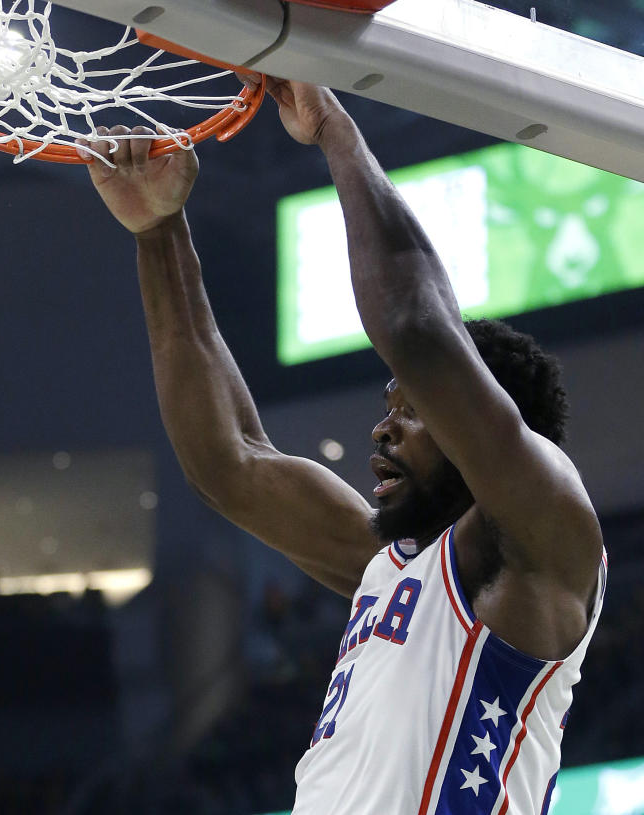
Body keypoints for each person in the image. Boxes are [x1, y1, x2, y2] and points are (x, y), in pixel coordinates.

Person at [77, 78, 605, 814]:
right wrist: (158, 231)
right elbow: (229, 458)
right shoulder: (384, 567)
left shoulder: (546, 539)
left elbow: (418, 330)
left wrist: (335, 128)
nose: (382, 428)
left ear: (479, 418)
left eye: (413, 409)